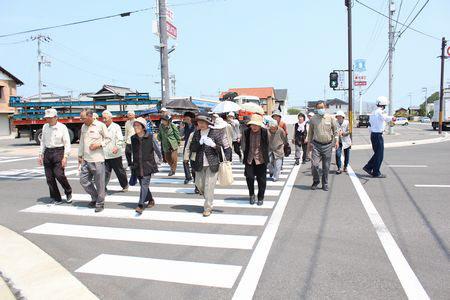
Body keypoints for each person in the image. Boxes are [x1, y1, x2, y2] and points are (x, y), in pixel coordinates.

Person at [186, 112, 223, 217]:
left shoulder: (215, 133)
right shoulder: (196, 134)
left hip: (212, 163)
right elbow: (192, 148)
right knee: (199, 185)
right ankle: (208, 198)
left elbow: (221, 148)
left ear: (208, 123)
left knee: (209, 186)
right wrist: (199, 143)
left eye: (203, 122)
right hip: (199, 163)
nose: (201, 124)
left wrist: (213, 145)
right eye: (199, 122)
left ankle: (207, 207)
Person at [78, 109, 111, 212]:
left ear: (90, 116)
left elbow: (108, 138)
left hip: (97, 159)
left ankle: (100, 203)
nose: (81, 120)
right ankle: (95, 197)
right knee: (84, 181)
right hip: (86, 159)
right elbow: (82, 142)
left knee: (99, 183)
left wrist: (99, 144)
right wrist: (80, 155)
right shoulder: (84, 126)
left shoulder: (100, 125)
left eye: (83, 118)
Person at [38, 108, 73, 204]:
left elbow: (67, 143)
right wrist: (40, 154)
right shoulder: (45, 127)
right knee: (49, 178)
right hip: (48, 152)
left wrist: (65, 157)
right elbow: (43, 142)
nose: (48, 120)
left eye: (50, 118)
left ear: (56, 117)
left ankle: (68, 191)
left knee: (59, 175)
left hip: (59, 151)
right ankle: (56, 197)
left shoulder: (62, 127)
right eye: (46, 118)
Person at [131, 117, 162, 214]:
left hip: (148, 165)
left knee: (144, 184)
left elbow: (157, 149)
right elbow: (133, 152)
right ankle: (151, 200)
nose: (135, 127)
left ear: (143, 127)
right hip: (137, 165)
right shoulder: (133, 138)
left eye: (138, 125)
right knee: (143, 185)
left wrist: (160, 158)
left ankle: (140, 205)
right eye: (134, 125)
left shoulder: (150, 137)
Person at [307, 101, 339, 191]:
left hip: (328, 145)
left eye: (322, 107)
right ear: (316, 109)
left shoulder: (330, 118)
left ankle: (325, 183)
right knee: (314, 165)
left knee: (326, 166)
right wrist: (309, 144)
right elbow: (310, 133)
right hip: (316, 145)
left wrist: (336, 141)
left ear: (325, 107)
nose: (321, 109)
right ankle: (316, 181)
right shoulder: (313, 119)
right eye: (319, 108)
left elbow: (336, 130)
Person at [363, 96, 396, 178]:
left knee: (377, 154)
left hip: (373, 135)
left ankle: (369, 167)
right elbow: (386, 118)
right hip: (378, 135)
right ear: (383, 105)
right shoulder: (381, 112)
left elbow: (370, 125)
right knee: (379, 155)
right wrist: (392, 118)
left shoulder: (373, 112)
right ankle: (375, 172)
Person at [242, 114, 269, 206]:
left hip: (261, 159)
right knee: (249, 178)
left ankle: (260, 197)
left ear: (260, 125)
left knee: (261, 180)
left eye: (256, 125)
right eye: (252, 124)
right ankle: (251, 195)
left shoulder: (265, 132)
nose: (254, 127)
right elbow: (244, 144)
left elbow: (268, 143)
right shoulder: (246, 132)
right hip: (249, 158)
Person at [102, 110, 128, 191]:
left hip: (115, 153)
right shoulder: (102, 127)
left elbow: (120, 139)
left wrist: (117, 147)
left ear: (110, 118)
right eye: (103, 118)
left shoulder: (116, 126)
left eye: (105, 118)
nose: (104, 120)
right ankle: (103, 187)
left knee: (119, 171)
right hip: (104, 153)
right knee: (105, 172)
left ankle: (125, 185)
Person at [181, 111, 196, 184]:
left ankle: (195, 177)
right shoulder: (185, 126)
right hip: (186, 145)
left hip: (194, 146)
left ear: (191, 119)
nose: (186, 120)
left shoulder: (195, 126)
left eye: (187, 118)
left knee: (193, 162)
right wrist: (181, 128)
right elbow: (181, 135)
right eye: (185, 118)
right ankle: (187, 177)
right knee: (185, 161)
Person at [124, 111, 136, 185]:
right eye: (128, 115)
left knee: (135, 154)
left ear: (134, 115)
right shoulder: (127, 122)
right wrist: (125, 140)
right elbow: (126, 132)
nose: (129, 116)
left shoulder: (136, 121)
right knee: (127, 153)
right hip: (128, 140)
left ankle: (135, 165)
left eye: (130, 114)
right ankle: (129, 165)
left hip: (135, 140)